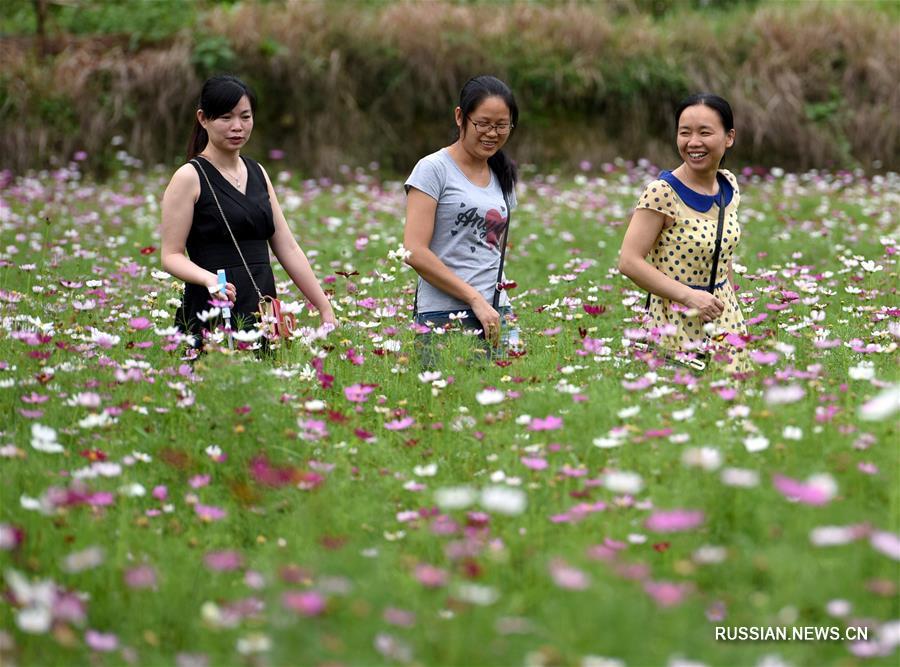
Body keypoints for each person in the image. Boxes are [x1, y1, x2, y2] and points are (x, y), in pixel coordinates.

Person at [160, 75, 335, 350]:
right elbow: (170, 255)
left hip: (261, 306)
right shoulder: (189, 177)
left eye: (245, 117)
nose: (237, 127)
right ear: (203, 119)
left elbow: (287, 247)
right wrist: (209, 280)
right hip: (214, 305)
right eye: (226, 118)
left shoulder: (258, 172)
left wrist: (324, 306)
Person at [618, 93, 748, 372]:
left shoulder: (729, 186)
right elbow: (629, 261)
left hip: (723, 317)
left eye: (705, 132)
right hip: (674, 321)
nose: (693, 142)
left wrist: (730, 303)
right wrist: (690, 297)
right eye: (684, 133)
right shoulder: (662, 193)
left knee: (734, 403)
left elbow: (722, 255)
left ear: (729, 137)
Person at [403, 75, 519, 364]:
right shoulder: (433, 169)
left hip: (496, 312)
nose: (492, 133)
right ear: (460, 117)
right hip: (443, 314)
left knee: (508, 400)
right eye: (483, 123)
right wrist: (473, 298)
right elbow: (414, 251)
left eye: (501, 125)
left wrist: (491, 303)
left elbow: (495, 246)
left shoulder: (503, 176)